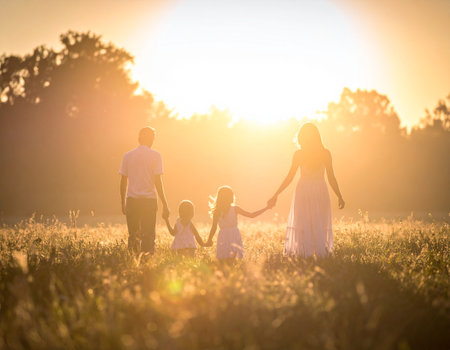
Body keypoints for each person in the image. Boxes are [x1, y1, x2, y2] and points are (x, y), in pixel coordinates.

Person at [267, 123, 344, 258]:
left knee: (307, 222)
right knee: (313, 221)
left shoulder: (307, 154)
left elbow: (331, 177)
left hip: (307, 190)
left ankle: (308, 254)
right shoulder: (320, 153)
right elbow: (290, 177)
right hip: (316, 190)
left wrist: (339, 195)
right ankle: (312, 255)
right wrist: (276, 194)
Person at [119, 127, 169, 253]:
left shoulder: (128, 156)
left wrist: (123, 202)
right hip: (149, 201)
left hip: (132, 201)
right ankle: (147, 264)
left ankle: (133, 264)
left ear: (139, 138)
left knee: (133, 235)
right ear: (152, 139)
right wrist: (164, 203)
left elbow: (123, 181)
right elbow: (158, 182)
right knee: (148, 235)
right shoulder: (156, 156)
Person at [205, 186, 270, 260]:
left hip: (223, 235)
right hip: (234, 234)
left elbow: (214, 227)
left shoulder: (217, 211)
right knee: (234, 258)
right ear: (231, 197)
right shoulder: (235, 209)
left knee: (223, 258)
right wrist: (266, 208)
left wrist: (209, 240)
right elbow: (251, 215)